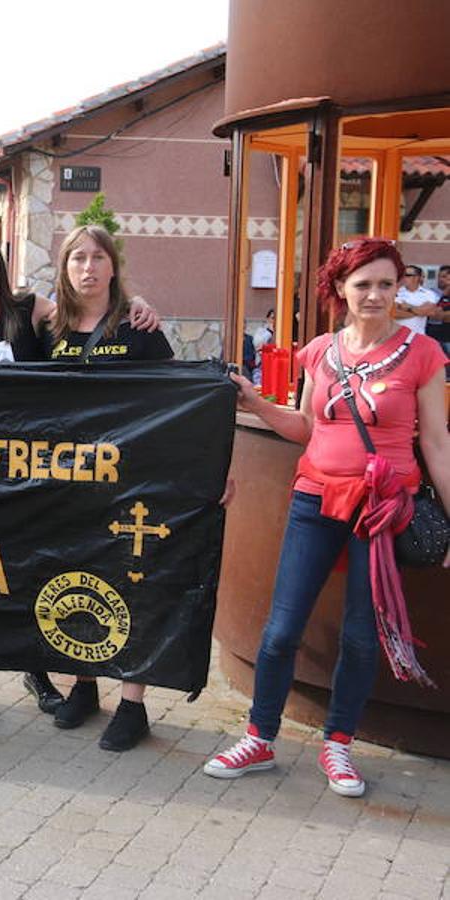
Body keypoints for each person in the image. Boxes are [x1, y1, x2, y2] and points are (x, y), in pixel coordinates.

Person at [204, 238, 449, 797]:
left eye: (387, 284)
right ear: (340, 290)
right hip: (314, 499)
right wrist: (259, 405)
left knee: (362, 639)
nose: (376, 295)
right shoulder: (320, 350)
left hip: (381, 512)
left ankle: (337, 746)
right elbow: (309, 429)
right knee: (282, 628)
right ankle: (260, 737)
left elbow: (436, 445)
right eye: (363, 284)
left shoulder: (422, 355)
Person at [0, 230, 163, 726]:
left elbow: (96, 308)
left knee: (44, 574)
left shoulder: (34, 314)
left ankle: (67, 680)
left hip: (56, 476)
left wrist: (136, 301)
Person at [38, 226, 175, 750]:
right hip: (68, 483)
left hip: (131, 482)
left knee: (131, 583)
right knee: (73, 579)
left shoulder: (139, 327)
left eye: (98, 258)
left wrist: (205, 472)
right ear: (65, 267)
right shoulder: (49, 329)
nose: (88, 268)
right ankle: (83, 684)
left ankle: (133, 703)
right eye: (78, 258)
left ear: (113, 266)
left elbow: (178, 402)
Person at [393, 265, 438, 335]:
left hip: (418, 336)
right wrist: (419, 312)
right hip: (397, 335)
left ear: (417, 277)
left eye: (407, 275)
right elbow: (394, 313)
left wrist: (409, 307)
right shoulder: (396, 292)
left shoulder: (428, 294)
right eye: (402, 275)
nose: (403, 277)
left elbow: (430, 312)